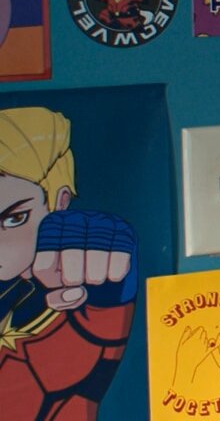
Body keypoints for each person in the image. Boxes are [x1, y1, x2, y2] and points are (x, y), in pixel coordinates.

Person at [0, 107, 139, 418]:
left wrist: (107, 275)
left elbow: (99, 325)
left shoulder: (68, 306)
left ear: (59, 202)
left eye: (13, 219)